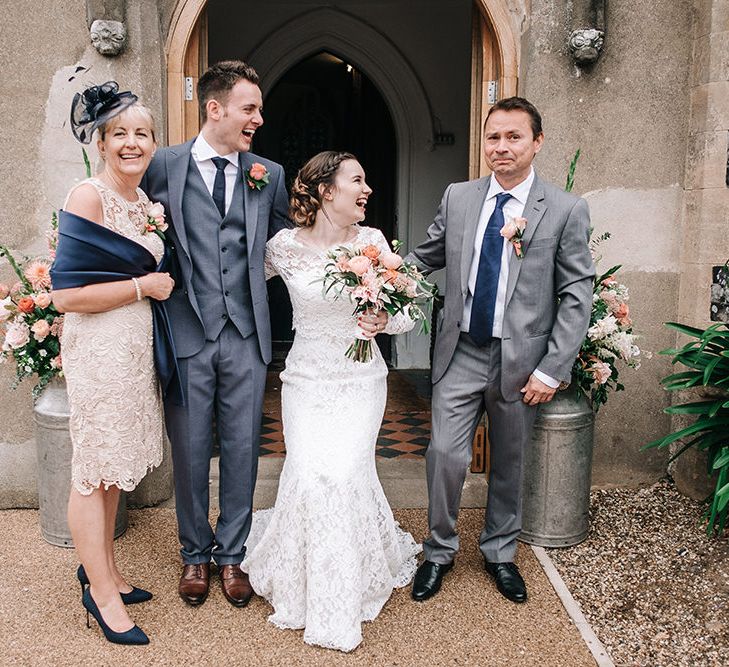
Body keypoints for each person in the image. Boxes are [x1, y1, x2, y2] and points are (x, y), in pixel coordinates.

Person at [407, 97, 594, 604]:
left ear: (536, 143)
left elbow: (578, 294)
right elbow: (424, 256)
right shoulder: (459, 197)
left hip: (523, 362)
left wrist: (552, 370)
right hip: (461, 351)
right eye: (493, 137)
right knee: (444, 453)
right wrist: (368, 274)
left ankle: (500, 553)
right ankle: (439, 551)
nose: (502, 147)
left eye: (514, 137)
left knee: (509, 461)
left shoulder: (564, 209)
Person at [242, 151, 421, 653]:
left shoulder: (372, 243)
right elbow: (240, 284)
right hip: (305, 381)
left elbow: (406, 312)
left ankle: (342, 591)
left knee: (343, 474)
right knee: (308, 472)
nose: (367, 190)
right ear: (325, 191)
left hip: (360, 380)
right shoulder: (283, 247)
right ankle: (299, 582)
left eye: (367, 181)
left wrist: (384, 323)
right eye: (357, 181)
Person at [141, 60, 290, 608]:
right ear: (215, 108)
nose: (258, 118)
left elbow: (282, 246)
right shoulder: (162, 165)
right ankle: (194, 554)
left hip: (247, 333)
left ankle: (232, 556)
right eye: (249, 108)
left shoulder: (267, 173)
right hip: (187, 330)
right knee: (189, 447)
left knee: (244, 447)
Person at [51, 83, 175, 645]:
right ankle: (100, 595)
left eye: (142, 134)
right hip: (98, 349)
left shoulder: (147, 205)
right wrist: (142, 285)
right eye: (120, 133)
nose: (132, 143)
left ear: (154, 143)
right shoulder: (89, 196)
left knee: (113, 465)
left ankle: (106, 572)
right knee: (94, 469)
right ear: (101, 142)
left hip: (131, 348)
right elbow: (66, 298)